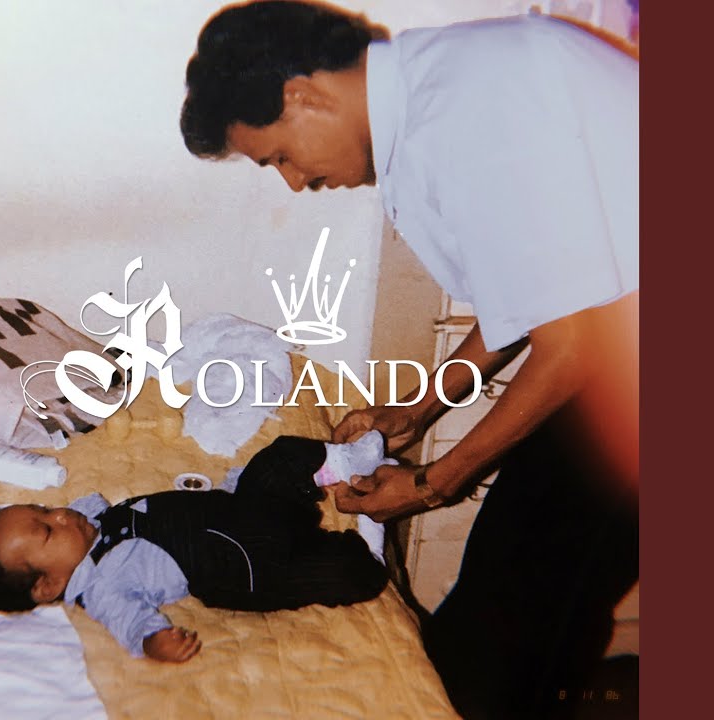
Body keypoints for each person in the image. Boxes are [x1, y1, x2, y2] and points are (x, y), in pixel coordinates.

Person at [181, 1, 639, 716]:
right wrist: (420, 408)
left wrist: (432, 483)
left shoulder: (465, 115)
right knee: (541, 593)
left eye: (279, 157)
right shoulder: (442, 92)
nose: (295, 182)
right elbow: (533, 299)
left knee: (508, 612)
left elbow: (571, 344)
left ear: (302, 96)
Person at [0, 432, 393, 663]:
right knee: (337, 573)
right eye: (47, 530)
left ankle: (347, 462)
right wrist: (153, 642)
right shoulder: (102, 589)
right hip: (250, 566)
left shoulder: (89, 523)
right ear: (47, 585)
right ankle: (370, 544)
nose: (60, 515)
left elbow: (84, 502)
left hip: (242, 510)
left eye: (45, 509)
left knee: (277, 460)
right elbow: (129, 622)